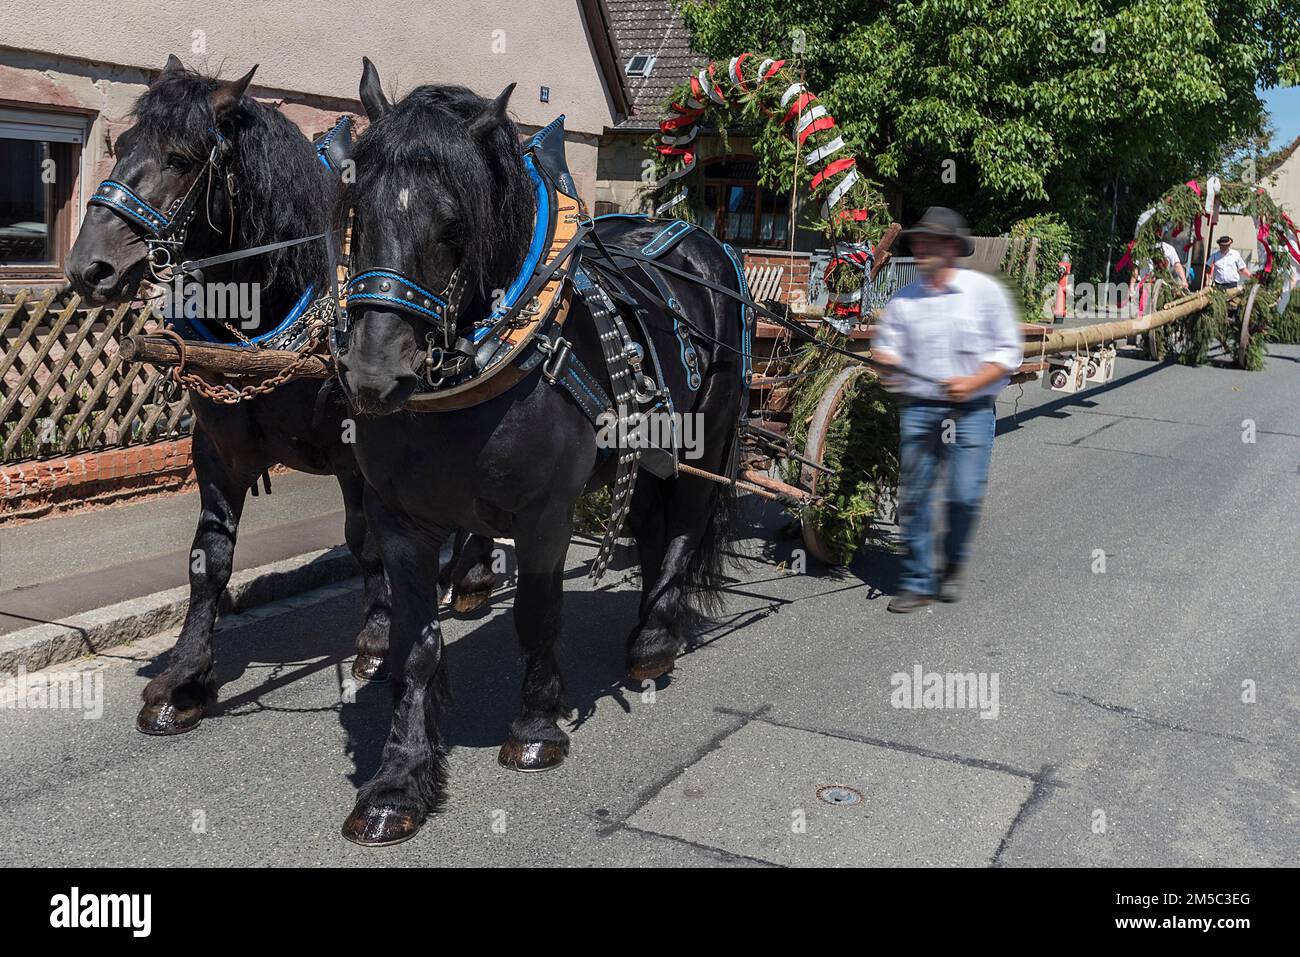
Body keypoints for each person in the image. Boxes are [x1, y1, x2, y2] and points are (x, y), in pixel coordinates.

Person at [871, 207, 1023, 613]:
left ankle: (952, 561)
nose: (919, 248)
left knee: (964, 496)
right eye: (918, 241)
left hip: (971, 411)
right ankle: (919, 580)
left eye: (929, 241)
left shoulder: (984, 293)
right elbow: (884, 348)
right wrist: (884, 361)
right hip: (920, 409)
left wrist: (970, 383)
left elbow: (1008, 353)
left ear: (952, 248)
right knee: (916, 498)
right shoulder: (904, 301)